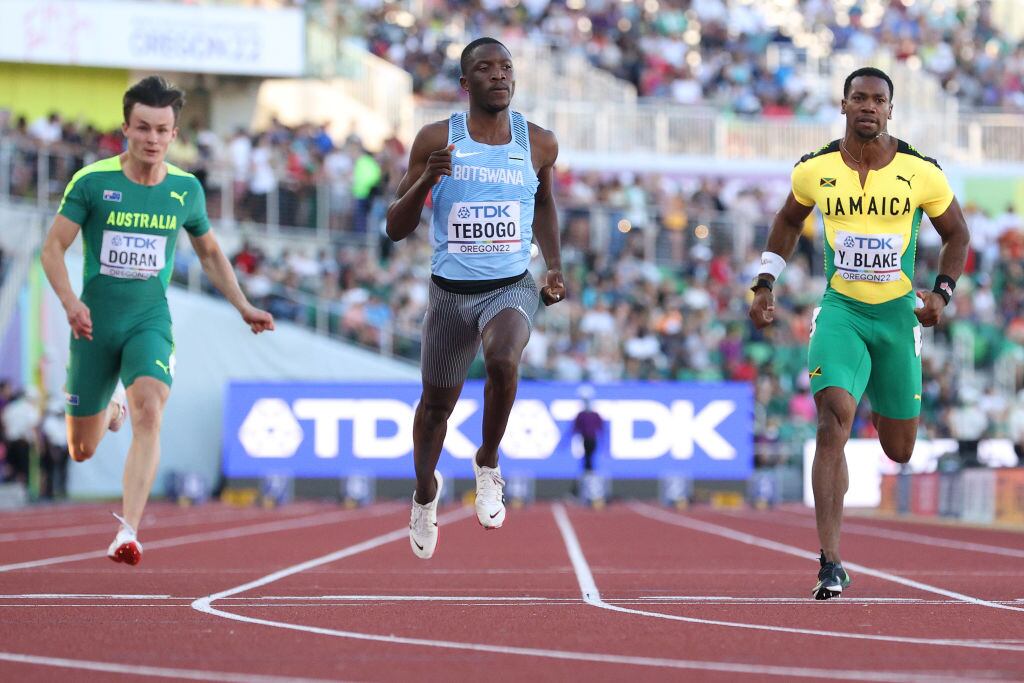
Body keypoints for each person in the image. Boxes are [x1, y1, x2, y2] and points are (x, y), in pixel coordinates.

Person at [747, 67, 969, 600]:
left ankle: (877, 394)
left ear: (890, 109)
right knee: (832, 421)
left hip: (897, 316)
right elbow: (788, 220)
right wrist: (765, 281)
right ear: (843, 104)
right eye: (859, 98)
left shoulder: (921, 172)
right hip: (841, 311)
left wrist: (942, 293)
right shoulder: (815, 169)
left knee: (900, 448)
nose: (868, 106)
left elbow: (957, 234)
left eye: (878, 100)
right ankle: (831, 562)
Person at [40, 76, 274, 566]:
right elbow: (53, 248)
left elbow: (209, 253)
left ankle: (127, 531)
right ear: (126, 128)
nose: (152, 138)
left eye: (161, 130)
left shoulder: (185, 190)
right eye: (143, 127)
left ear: (174, 134)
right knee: (81, 449)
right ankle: (110, 409)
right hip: (92, 323)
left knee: (150, 408)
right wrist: (69, 302)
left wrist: (243, 305)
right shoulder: (93, 182)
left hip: (148, 320)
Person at [386, 37, 565, 559]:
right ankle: (425, 494)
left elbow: (545, 204)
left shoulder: (539, 142)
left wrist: (554, 265)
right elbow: (395, 227)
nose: (499, 75)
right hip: (450, 294)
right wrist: (426, 177)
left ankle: (488, 461)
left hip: (511, 284)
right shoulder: (437, 138)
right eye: (485, 69)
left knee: (504, 359)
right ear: (466, 83)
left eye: (506, 67)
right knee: (435, 409)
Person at [572, 399, 603, 473]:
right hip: (585, 438)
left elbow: (600, 426)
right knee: (586, 455)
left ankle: (590, 470)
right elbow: (576, 427)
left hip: (593, 438)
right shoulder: (581, 415)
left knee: (590, 455)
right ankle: (587, 470)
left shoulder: (595, 415)